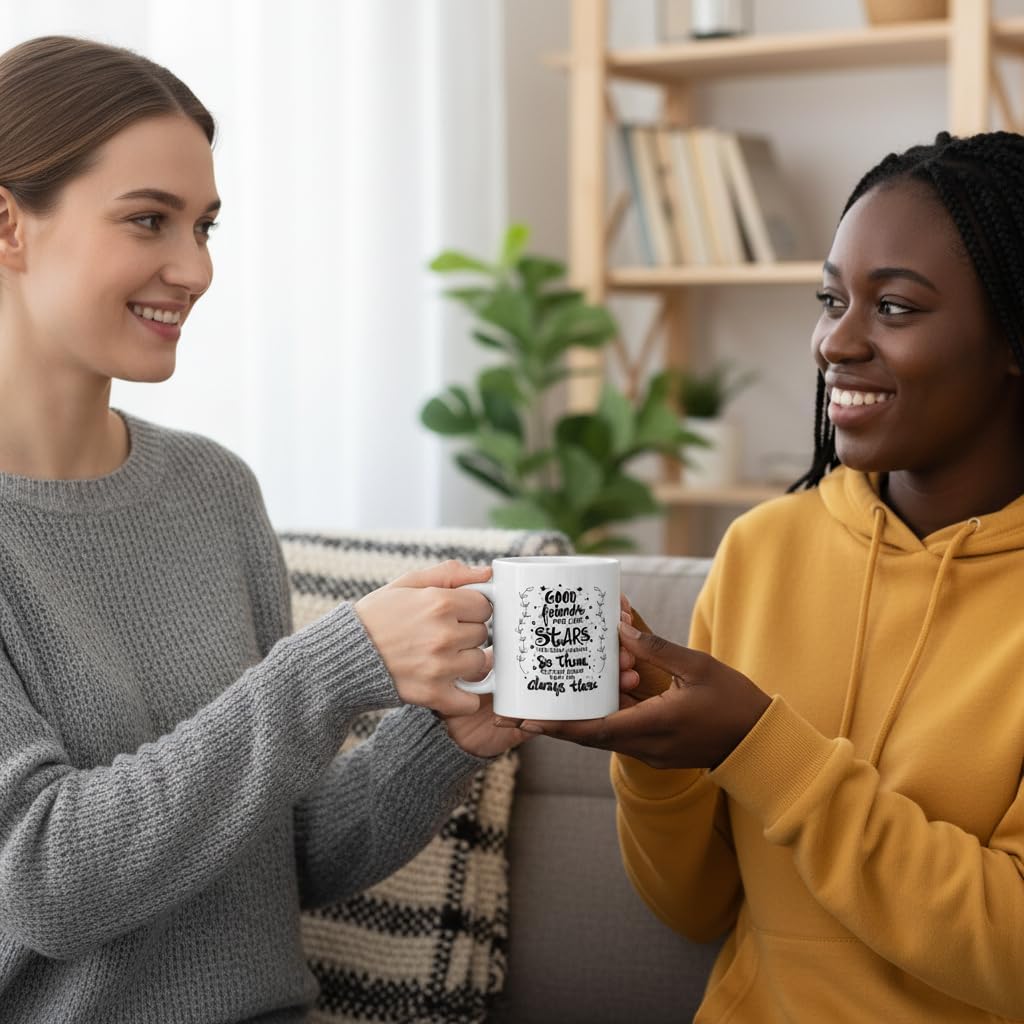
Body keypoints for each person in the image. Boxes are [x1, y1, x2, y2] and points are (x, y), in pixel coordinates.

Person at [0, 34, 534, 1022]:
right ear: (10, 225)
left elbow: (283, 857)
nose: (192, 268)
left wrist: (442, 741)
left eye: (204, 226)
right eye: (148, 221)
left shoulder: (212, 490)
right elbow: (44, 881)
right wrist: (330, 670)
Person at [500, 131, 1024, 1022]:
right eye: (832, 299)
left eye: (894, 308)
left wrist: (762, 746)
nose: (835, 342)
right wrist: (656, 757)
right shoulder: (765, 550)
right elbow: (694, 908)